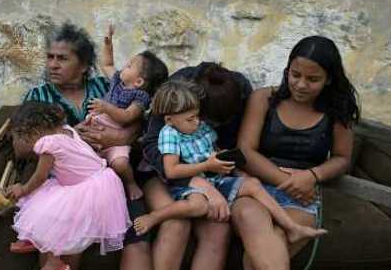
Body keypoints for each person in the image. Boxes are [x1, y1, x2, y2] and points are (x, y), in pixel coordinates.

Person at [20, 23, 159, 270]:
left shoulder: (107, 88)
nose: (52, 64)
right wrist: (74, 138)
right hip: (65, 183)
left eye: (62, 58)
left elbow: (140, 125)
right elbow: (27, 144)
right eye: (49, 57)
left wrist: (119, 138)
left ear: (84, 66)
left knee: (138, 243)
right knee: (68, 237)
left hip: (111, 178)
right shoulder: (39, 94)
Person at [233, 36, 358, 270]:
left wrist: (313, 176)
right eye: (295, 74)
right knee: (249, 215)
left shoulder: (337, 111)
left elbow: (342, 158)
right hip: (257, 188)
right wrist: (288, 180)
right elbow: (245, 151)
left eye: (312, 79)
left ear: (329, 79)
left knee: (255, 261)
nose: (301, 85)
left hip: (302, 195)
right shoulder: (264, 99)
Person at [139, 62, 252, 270]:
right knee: (177, 224)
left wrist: (217, 177)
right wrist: (202, 184)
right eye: (201, 118)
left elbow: (227, 148)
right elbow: (152, 149)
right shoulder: (174, 94)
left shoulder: (240, 92)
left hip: (205, 174)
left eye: (216, 122)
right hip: (162, 172)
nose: (204, 125)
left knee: (219, 227)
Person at [132, 80, 326, 248]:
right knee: (199, 206)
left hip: (213, 178)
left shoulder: (198, 127)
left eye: (198, 116)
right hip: (187, 185)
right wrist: (206, 166)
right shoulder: (169, 134)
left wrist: (222, 158)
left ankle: (292, 228)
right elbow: (171, 171)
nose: (197, 122)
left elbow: (212, 149)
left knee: (253, 184)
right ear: (169, 120)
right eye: (190, 119)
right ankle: (155, 217)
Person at [5, 102, 130, 270]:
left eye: (25, 137)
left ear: (36, 130)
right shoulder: (67, 130)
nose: (27, 143)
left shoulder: (48, 143)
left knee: (59, 215)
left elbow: (39, 177)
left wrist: (22, 189)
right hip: (100, 180)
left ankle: (55, 263)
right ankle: (33, 237)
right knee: (43, 199)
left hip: (86, 188)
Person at [85, 25, 169, 200]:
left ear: (138, 81)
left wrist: (106, 107)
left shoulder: (140, 98)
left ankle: (130, 184)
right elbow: (107, 63)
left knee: (121, 164)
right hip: (96, 130)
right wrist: (108, 44)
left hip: (117, 141)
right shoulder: (117, 82)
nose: (124, 66)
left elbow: (127, 117)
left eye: (129, 66)